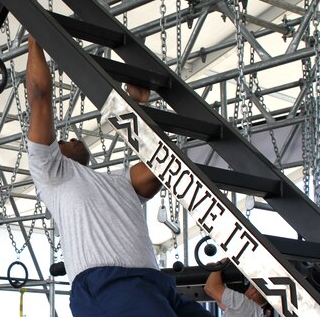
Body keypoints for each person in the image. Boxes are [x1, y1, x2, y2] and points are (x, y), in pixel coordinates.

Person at [26, 35, 212, 316]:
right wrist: (35, 33)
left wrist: (138, 108)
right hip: (108, 285)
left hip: (155, 283)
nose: (73, 137)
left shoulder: (118, 181)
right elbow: (40, 95)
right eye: (63, 140)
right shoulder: (51, 171)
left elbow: (161, 164)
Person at [205, 260, 271, 317]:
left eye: (250, 286)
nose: (247, 289)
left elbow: (210, 288)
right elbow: (223, 304)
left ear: (253, 291)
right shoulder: (256, 313)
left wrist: (220, 264)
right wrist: (215, 274)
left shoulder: (245, 305)